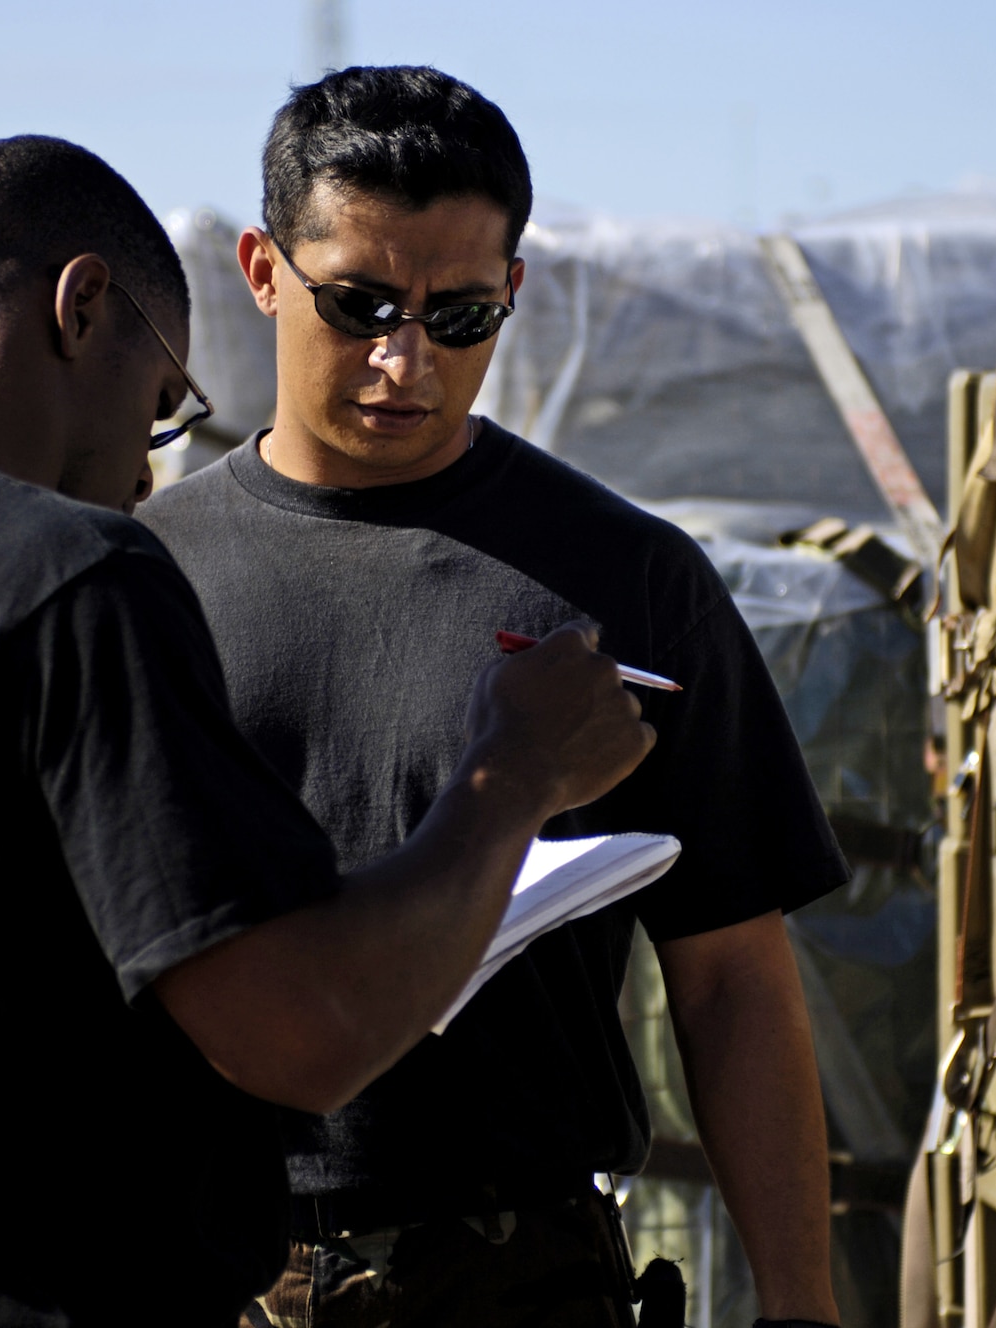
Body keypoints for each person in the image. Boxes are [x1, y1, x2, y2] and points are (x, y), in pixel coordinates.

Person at [0, 135, 655, 1328]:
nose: (144, 474)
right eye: (161, 404)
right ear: (80, 308)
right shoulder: (68, 576)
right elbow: (303, 1036)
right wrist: (510, 773)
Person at [138, 68, 850, 1328]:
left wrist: (797, 1301)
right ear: (259, 270)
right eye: (356, 303)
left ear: (512, 293)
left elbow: (733, 976)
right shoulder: (136, 580)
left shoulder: (628, 581)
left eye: (457, 315)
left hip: (520, 1273)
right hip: (192, 1257)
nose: (402, 359)